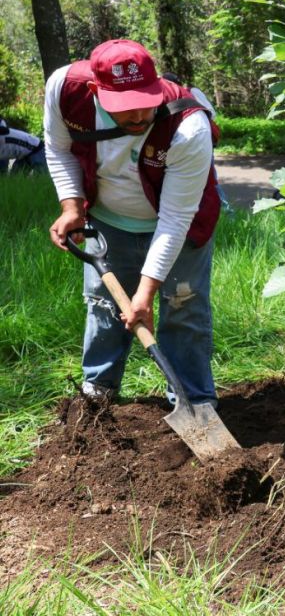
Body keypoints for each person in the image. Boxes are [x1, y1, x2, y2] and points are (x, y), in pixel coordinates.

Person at [45, 39, 221, 405]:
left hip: (182, 227)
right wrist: (72, 207)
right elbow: (58, 147)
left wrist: (145, 294)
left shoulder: (189, 126)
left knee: (182, 309)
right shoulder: (65, 89)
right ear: (97, 91)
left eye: (146, 101)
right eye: (126, 108)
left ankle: (194, 402)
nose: (140, 116)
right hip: (107, 223)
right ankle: (97, 399)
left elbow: (174, 219)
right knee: (104, 305)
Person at [161, 72, 230, 211]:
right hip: (180, 142)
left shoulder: (192, 92)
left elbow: (210, 112)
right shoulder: (167, 98)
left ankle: (226, 209)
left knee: (210, 177)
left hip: (202, 139)